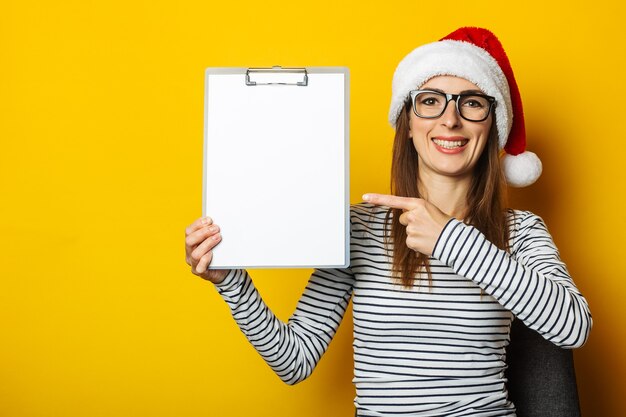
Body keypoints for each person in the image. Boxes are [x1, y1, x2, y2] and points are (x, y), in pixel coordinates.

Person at [184, 27, 592, 417]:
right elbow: (295, 361)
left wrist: (449, 238)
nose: (450, 120)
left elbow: (573, 327)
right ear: (408, 124)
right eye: (430, 101)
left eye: (472, 102)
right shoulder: (357, 229)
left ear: (492, 126)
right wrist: (232, 281)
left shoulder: (521, 231)